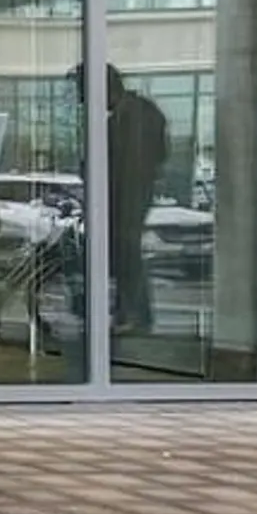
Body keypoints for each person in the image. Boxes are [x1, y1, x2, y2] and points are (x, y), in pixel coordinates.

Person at [105, 67, 171, 337]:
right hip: (129, 192)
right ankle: (128, 311)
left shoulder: (134, 116)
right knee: (124, 253)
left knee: (127, 251)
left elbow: (130, 162)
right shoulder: (135, 113)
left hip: (129, 193)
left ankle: (133, 313)